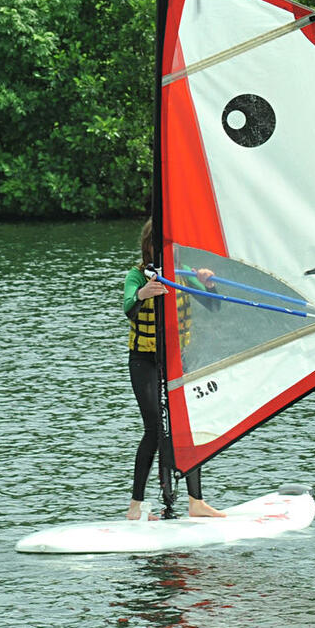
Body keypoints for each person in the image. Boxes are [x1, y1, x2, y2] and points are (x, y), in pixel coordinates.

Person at [123, 219, 224, 521]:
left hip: (176, 364)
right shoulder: (137, 275)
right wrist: (143, 294)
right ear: (149, 247)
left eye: (168, 247)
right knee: (154, 429)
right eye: (158, 246)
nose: (164, 252)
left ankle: (196, 501)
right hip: (144, 362)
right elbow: (128, 306)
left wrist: (209, 284)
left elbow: (214, 305)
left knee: (184, 429)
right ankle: (135, 507)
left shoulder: (182, 275)